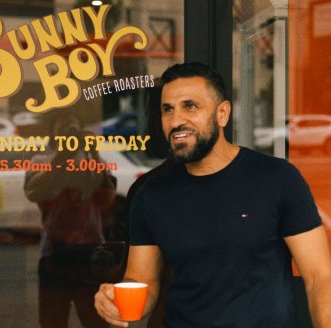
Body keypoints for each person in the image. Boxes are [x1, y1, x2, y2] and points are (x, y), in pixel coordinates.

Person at [94, 62, 331, 327]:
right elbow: (144, 281)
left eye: (190, 106)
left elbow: (319, 277)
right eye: (167, 109)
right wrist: (116, 299)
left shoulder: (277, 179)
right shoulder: (152, 195)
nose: (176, 121)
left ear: (222, 113)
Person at [24, 112, 116, 328]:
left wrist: (93, 151)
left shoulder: (90, 160)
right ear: (52, 133)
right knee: (52, 320)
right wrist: (61, 156)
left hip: (90, 249)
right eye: (65, 129)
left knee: (96, 320)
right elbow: (33, 192)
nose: (70, 134)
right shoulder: (41, 160)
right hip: (55, 250)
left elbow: (108, 194)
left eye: (74, 129)